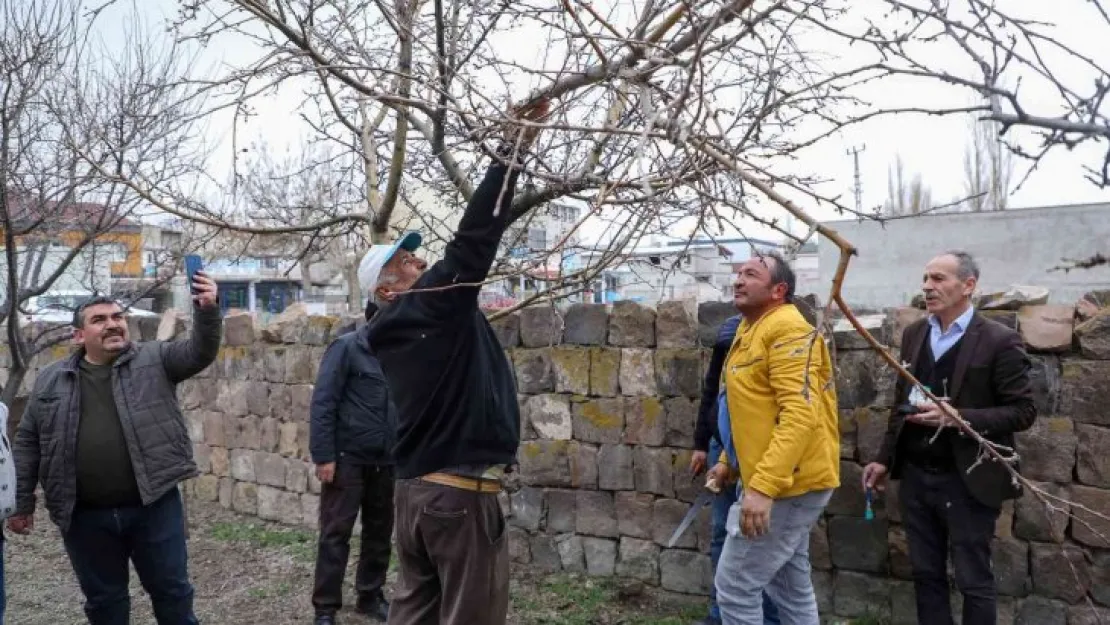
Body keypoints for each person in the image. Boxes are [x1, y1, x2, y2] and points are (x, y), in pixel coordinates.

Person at [361, 97, 549, 625]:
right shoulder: (429, 307)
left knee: (415, 610)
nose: (421, 261)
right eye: (407, 260)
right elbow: (473, 242)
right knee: (473, 614)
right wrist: (511, 150)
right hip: (458, 495)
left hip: (415, 494)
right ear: (388, 289)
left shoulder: (391, 329)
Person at [8, 273, 222, 625]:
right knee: (105, 604)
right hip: (84, 516)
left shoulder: (156, 360)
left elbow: (200, 351)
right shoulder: (51, 379)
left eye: (117, 317)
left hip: (154, 506)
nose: (112, 325)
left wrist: (208, 309)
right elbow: (29, 440)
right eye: (99, 320)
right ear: (79, 336)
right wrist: (21, 502)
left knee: (173, 594)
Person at [862, 251, 1036, 625]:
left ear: (968, 285)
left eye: (939, 278)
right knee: (926, 577)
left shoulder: (999, 341)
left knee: (974, 581)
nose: (927, 286)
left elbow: (1023, 412)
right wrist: (882, 459)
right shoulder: (914, 334)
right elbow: (900, 404)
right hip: (917, 478)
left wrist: (959, 418)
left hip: (968, 481)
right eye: (926, 278)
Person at [710, 251, 839, 625]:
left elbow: (799, 414)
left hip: (788, 486)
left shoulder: (788, 330)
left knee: (735, 586)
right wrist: (726, 463)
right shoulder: (751, 329)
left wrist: (763, 488)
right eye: (738, 273)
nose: (738, 280)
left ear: (779, 290)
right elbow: (748, 412)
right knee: (790, 588)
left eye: (751, 274)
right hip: (779, 481)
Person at [309, 299, 396, 625]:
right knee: (335, 534)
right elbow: (323, 401)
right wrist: (324, 456)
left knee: (379, 532)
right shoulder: (346, 348)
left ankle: (370, 597)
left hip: (386, 459)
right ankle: (325, 607)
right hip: (347, 459)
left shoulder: (398, 355)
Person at [691, 314, 780, 625]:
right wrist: (701, 444)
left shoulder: (783, 334)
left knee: (761, 538)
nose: (741, 283)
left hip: (762, 449)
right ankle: (721, 613)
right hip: (723, 445)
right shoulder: (730, 331)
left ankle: (768, 617)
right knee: (720, 532)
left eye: (751, 275)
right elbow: (712, 388)